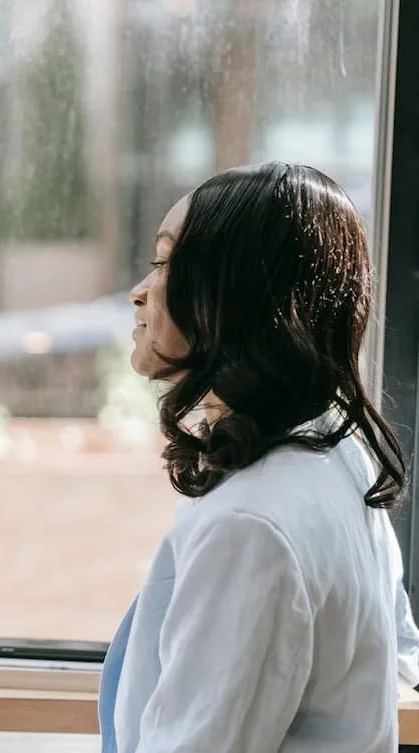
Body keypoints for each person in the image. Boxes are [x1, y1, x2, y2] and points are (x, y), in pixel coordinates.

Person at [98, 161, 419, 752]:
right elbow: (399, 654)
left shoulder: (252, 526)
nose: (138, 292)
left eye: (165, 263)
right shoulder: (337, 455)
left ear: (235, 292)